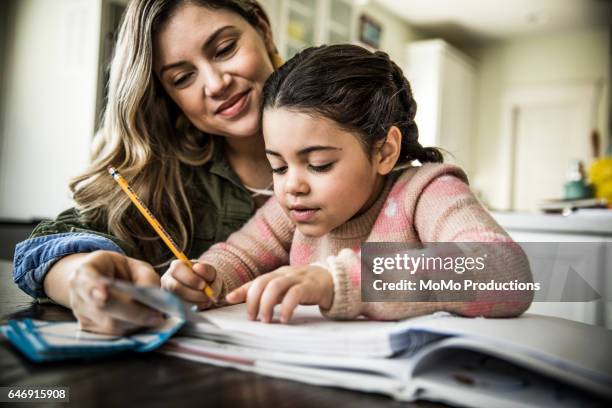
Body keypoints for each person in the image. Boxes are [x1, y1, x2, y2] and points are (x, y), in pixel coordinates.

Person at [162, 44, 533, 323]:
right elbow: (238, 257)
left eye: (319, 164)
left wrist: (339, 280)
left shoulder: (426, 191)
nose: (292, 185)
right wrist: (206, 278)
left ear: (385, 151)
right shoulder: (292, 209)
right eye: (276, 166)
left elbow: (506, 272)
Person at [12, 0, 283, 335]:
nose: (215, 84)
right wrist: (83, 282)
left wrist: (353, 286)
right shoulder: (164, 181)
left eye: (225, 49)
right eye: (183, 78)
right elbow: (39, 249)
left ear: (263, 28)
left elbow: (372, 275)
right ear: (167, 94)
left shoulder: (354, 126)